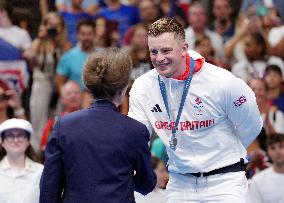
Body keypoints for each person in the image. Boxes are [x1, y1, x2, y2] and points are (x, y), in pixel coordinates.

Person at [128, 17, 263, 202]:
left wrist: (222, 153)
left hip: (225, 182)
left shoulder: (223, 82)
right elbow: (137, 136)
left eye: (166, 50)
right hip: (180, 183)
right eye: (154, 51)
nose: (159, 58)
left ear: (184, 48)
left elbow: (252, 125)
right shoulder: (143, 87)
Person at [40, 47, 156, 203]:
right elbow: (146, 184)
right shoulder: (136, 131)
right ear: (123, 89)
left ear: (88, 88)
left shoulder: (64, 125)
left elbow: (49, 185)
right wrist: (122, 181)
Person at [0, 118, 43, 203]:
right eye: (10, 136)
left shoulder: (41, 172)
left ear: (28, 141)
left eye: (20, 135)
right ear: (2, 142)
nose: (15, 140)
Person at [246, 133, 284, 203]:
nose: (277, 151)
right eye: (273, 148)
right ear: (268, 151)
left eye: (281, 146)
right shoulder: (258, 181)